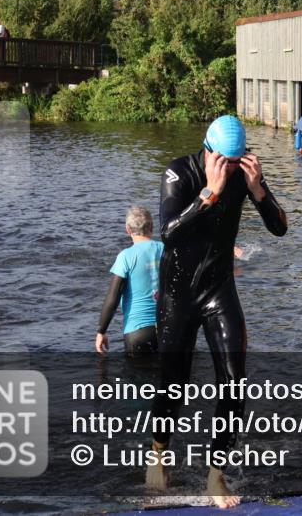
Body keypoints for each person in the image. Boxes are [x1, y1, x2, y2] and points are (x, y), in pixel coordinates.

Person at [145, 115, 287, 507]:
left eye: (237, 163)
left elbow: (280, 228)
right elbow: (169, 233)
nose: (230, 170)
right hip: (178, 294)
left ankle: (215, 475)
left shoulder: (243, 174)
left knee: (235, 381)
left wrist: (258, 190)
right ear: (207, 152)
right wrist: (209, 192)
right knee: (174, 383)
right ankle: (158, 453)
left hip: (218, 289)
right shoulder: (179, 172)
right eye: (223, 161)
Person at [95, 207, 163, 357]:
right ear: (152, 227)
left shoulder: (125, 257)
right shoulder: (166, 250)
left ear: (128, 229)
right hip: (169, 328)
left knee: (138, 378)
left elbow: (112, 299)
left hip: (138, 332)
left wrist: (101, 331)